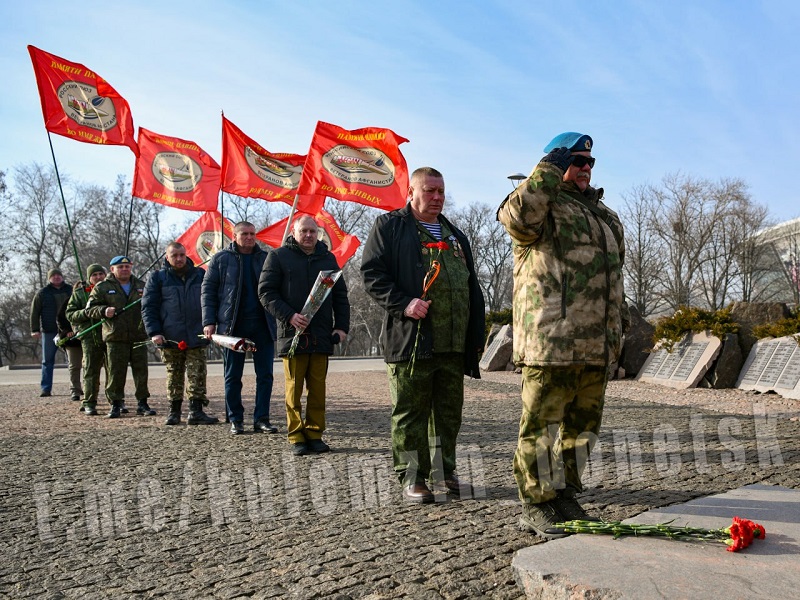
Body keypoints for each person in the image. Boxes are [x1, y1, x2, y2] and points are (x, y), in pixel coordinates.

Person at [497, 132, 629, 538]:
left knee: (582, 427)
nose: (586, 168)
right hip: (551, 341)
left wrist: (617, 332)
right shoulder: (539, 201)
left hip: (596, 343)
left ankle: (565, 493)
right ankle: (536, 503)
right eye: (575, 160)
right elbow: (517, 218)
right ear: (556, 163)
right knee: (542, 425)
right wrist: (545, 174)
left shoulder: (604, 215)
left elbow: (614, 279)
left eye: (591, 162)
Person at [361, 166, 486, 503]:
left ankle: (445, 471)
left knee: (448, 414)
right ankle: (413, 477)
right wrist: (404, 304)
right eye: (429, 190)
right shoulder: (390, 227)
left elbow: (470, 284)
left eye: (441, 191)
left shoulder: (455, 235)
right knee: (410, 412)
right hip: (413, 341)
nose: (437, 197)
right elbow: (371, 274)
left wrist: (475, 333)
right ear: (411, 193)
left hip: (452, 343)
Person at [259, 215, 350, 456]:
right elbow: (266, 293)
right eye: (304, 231)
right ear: (294, 232)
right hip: (292, 335)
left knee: (318, 390)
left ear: (318, 233)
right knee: (293, 390)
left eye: (313, 231)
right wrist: (289, 315)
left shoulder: (328, 258)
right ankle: (297, 435)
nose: (309, 235)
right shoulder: (277, 257)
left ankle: (315, 434)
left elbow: (340, 296)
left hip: (321, 335)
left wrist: (341, 327)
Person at [201, 221, 278, 435]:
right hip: (232, 327)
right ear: (234, 236)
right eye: (244, 233)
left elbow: (276, 288)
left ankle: (261, 418)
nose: (250, 237)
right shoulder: (220, 259)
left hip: (263, 325)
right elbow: (208, 291)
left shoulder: (266, 258)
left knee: (265, 375)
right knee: (232, 375)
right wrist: (209, 321)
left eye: (253, 234)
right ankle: (236, 419)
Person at [143, 242, 218, 426]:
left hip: (196, 334)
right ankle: (174, 412)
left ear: (186, 255)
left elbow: (211, 299)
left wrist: (211, 323)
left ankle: (196, 411)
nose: (178, 259)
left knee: (197, 374)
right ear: (166, 257)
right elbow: (148, 307)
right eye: (174, 255)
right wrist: (155, 332)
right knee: (174, 374)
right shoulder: (158, 278)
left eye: (182, 255)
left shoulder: (200, 275)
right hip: (170, 336)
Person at [86, 255, 154, 419]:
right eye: (121, 267)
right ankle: (116, 403)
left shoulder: (141, 286)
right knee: (116, 372)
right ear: (112, 269)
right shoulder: (102, 287)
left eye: (128, 267)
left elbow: (151, 307)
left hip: (138, 336)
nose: (125, 269)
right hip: (115, 336)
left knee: (141, 371)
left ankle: (142, 403)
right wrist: (103, 311)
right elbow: (90, 309)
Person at [65, 264, 109, 416]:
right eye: (94, 275)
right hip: (90, 336)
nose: (98, 277)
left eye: (100, 274)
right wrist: (85, 313)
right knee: (90, 369)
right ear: (89, 278)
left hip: (112, 336)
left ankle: (116, 400)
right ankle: (90, 401)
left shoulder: (114, 289)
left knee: (114, 370)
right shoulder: (80, 293)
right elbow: (70, 314)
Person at [30, 268, 73, 397]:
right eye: (53, 275)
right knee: (47, 361)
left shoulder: (71, 290)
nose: (56, 277)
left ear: (62, 277)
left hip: (68, 330)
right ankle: (46, 388)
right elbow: (34, 312)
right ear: (49, 278)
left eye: (58, 275)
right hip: (49, 331)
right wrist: (35, 329)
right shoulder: (42, 293)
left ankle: (75, 388)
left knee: (72, 361)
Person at [56, 284, 84, 403]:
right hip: (73, 341)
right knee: (74, 366)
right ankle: (75, 390)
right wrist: (67, 331)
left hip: (88, 338)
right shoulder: (69, 301)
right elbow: (61, 318)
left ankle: (90, 390)